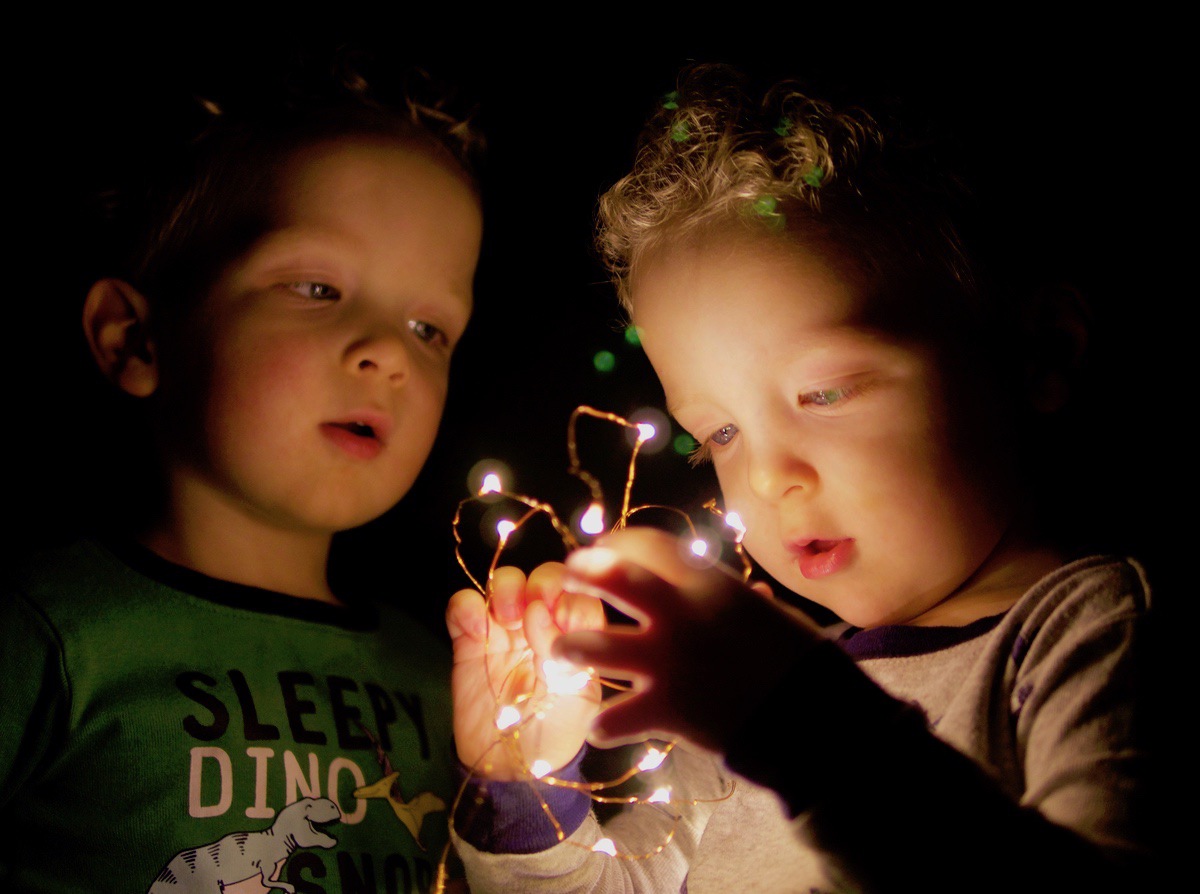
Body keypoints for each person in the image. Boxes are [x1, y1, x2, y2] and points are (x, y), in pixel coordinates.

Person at [446, 63, 1157, 892]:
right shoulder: (752, 696)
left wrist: (802, 728)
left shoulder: (1094, 635)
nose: (769, 477)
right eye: (718, 432)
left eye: (823, 393)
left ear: (1040, 355)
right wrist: (528, 790)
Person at [0, 55, 483, 894]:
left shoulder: (452, 678)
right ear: (134, 339)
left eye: (429, 327)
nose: (389, 355)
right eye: (317, 286)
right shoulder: (47, 635)